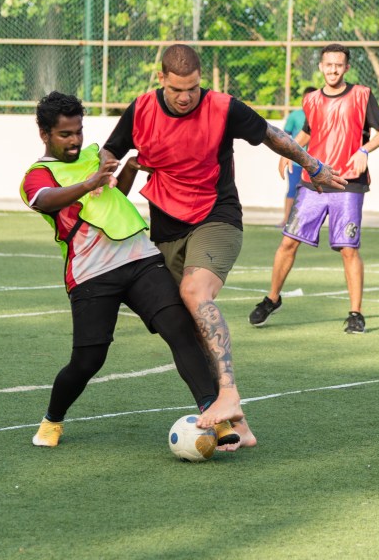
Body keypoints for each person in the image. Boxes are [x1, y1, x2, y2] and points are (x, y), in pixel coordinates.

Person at [100, 44, 346, 449]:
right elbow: (111, 153)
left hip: (217, 217)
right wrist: (107, 171)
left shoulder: (222, 107)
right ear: (161, 79)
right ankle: (239, 424)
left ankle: (229, 392)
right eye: (178, 89)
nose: (186, 97)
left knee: (195, 291)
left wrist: (313, 165)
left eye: (193, 88)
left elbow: (273, 136)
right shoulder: (141, 110)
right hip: (166, 231)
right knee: (186, 323)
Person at [22, 92, 236, 448]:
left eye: (78, 131)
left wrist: (130, 170)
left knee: (180, 330)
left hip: (139, 258)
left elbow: (112, 197)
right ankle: (52, 419)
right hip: (92, 274)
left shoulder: (94, 155)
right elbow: (42, 200)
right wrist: (88, 184)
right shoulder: (38, 175)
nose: (75, 140)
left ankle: (215, 413)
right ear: (44, 133)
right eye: (65, 134)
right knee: (88, 360)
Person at [249, 44, 379, 334]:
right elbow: (310, 132)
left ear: (347, 67)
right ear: (321, 66)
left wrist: (364, 150)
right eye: (329, 65)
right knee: (288, 241)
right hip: (314, 181)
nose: (334, 69)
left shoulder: (362, 95)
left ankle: (355, 314)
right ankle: (272, 298)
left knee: (348, 249)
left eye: (339, 65)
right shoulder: (311, 99)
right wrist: (288, 151)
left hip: (349, 183)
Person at [278, 87, 317, 227]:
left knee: (312, 192)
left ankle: (307, 222)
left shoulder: (321, 116)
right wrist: (286, 153)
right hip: (295, 162)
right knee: (293, 189)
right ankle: (286, 219)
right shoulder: (295, 116)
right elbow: (284, 136)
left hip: (313, 162)